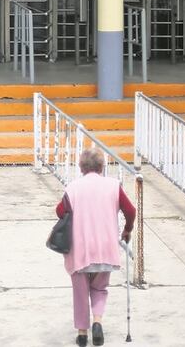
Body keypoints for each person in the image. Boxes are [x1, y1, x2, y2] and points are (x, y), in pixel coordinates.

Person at [55, 148, 137, 347]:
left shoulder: (73, 187)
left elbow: (60, 211)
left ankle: (82, 334)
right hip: (105, 247)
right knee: (100, 288)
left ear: (81, 167)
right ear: (102, 167)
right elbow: (130, 210)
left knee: (80, 291)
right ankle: (97, 322)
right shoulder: (113, 185)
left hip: (80, 248)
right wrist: (127, 229)